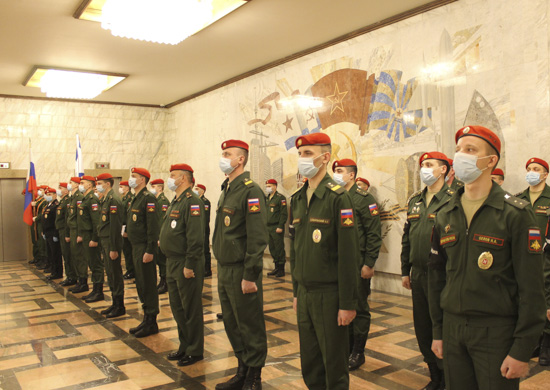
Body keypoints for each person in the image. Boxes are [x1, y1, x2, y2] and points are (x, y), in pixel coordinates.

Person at [428, 125, 546, 390]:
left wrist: (522, 349)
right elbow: (437, 277)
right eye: (458, 150)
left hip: (496, 332)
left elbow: (532, 288)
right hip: (453, 328)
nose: (460, 156)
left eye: (470, 150)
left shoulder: (515, 214)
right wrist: (438, 331)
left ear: (491, 160)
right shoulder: (446, 212)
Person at [290, 133, 359, 389]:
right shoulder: (298, 198)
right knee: (310, 363)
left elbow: (348, 255)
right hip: (306, 294)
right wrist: (296, 291)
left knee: (334, 364)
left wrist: (348, 303)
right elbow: (295, 250)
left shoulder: (338, 197)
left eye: (308, 154)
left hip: (330, 296)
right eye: (300, 154)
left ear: (325, 157)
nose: (302, 159)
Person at [212, 140, 268, 390]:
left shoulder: (250, 190)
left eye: (228, 154)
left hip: (241, 270)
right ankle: (242, 369)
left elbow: (257, 238)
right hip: (224, 268)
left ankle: (254, 377)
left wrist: (250, 275)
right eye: (223, 153)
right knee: (232, 323)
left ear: (240, 160)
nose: (223, 157)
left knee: (249, 323)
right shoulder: (228, 188)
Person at [401, 152, 453, 390]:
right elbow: (406, 238)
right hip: (419, 274)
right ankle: (435, 375)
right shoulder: (415, 200)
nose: (424, 168)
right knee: (422, 326)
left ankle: (448, 375)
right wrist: (404, 270)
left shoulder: (454, 198)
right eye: (422, 165)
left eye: (429, 165)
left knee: (441, 325)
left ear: (443, 170)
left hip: (443, 275)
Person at [332, 158, 382, 372]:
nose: (336, 174)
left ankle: (358, 351)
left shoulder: (364, 199)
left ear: (351, 175)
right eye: (335, 170)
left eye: (340, 170)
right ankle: (346, 347)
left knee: (359, 307)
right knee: (343, 304)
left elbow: (373, 233)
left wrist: (369, 263)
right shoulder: (335, 196)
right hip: (339, 264)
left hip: (358, 262)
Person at [159, 164, 205, 366]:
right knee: (177, 307)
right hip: (172, 261)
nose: (170, 179)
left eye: (173, 176)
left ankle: (195, 350)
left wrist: (190, 264)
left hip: (186, 263)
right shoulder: (175, 201)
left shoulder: (192, 201)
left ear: (184, 178)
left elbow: (195, 238)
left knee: (190, 308)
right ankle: (184, 345)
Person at [515, 157, 550, 366]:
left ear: (545, 174)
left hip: (547, 258)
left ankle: (547, 341)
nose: (531, 172)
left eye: (536, 169)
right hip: (525, 257)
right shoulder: (519, 199)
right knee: (526, 298)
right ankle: (533, 340)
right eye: (528, 169)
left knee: (546, 298)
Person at [126, 167, 160, 338]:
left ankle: (152, 321)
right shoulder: (135, 199)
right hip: (135, 246)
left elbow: (153, 228)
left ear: (142, 180)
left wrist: (150, 250)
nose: (131, 179)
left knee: (148, 283)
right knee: (140, 284)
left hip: (144, 247)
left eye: (134, 177)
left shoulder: (149, 199)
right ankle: (146, 317)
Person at [96, 173, 126, 318]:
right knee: (110, 273)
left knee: (115, 274)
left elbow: (115, 227)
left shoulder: (113, 200)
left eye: (100, 183)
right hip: (105, 241)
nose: (98, 186)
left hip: (111, 242)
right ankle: (114, 303)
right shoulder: (106, 199)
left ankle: (119, 305)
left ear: (108, 184)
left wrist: (114, 248)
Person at [77, 175, 104, 303]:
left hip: (91, 236)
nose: (80, 184)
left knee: (96, 263)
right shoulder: (85, 198)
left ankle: (99, 291)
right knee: (91, 263)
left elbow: (96, 222)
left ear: (89, 185)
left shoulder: (92, 199)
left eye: (82, 182)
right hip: (86, 235)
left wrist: (95, 238)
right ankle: (94, 289)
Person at [66, 177, 88, 293]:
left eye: (71, 183)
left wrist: (80, 234)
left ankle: (83, 282)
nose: (69, 185)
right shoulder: (73, 198)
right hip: (72, 230)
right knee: (75, 255)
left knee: (80, 256)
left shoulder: (79, 197)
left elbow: (80, 218)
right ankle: (79, 280)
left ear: (76, 185)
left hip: (77, 231)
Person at [265, 179, 288, 277]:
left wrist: (280, 226)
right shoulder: (267, 198)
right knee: (272, 248)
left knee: (279, 248)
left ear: (275, 186)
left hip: (276, 227)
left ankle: (281, 269)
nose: (268, 188)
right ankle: (276, 267)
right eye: (267, 186)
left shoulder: (280, 198)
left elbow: (283, 214)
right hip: (268, 227)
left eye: (269, 186)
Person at [151, 178, 170, 294]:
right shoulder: (156, 200)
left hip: (160, 236)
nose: (152, 189)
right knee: (159, 260)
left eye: (154, 187)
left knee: (162, 261)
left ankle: (165, 282)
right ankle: (162, 281)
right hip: (156, 235)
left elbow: (162, 221)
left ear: (160, 188)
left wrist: (159, 238)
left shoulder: (163, 201)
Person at [55, 183, 76, 286]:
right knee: (65, 254)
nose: (58, 190)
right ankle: (69, 276)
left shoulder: (67, 201)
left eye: (60, 188)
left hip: (65, 230)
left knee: (68, 255)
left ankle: (72, 276)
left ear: (66, 191)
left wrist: (67, 233)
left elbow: (67, 218)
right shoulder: (63, 201)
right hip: (62, 230)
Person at [42, 188, 63, 280]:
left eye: (50, 194)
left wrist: (55, 234)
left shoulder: (55, 206)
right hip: (47, 232)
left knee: (56, 254)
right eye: (47, 194)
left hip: (53, 233)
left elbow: (56, 221)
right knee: (50, 253)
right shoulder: (48, 206)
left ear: (55, 195)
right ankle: (53, 271)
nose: (48, 196)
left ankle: (57, 273)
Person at [195, 184, 213, 277]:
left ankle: (207, 269)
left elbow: (205, 218)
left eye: (197, 189)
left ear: (202, 191)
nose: (195, 190)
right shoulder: (196, 201)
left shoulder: (205, 202)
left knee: (205, 248)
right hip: (198, 229)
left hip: (204, 229)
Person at [120, 181, 135, 280]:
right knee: (126, 250)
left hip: (127, 228)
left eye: (121, 186)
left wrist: (126, 230)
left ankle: (131, 271)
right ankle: (129, 269)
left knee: (129, 251)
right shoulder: (124, 198)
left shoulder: (130, 199)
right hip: (123, 227)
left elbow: (129, 216)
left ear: (127, 188)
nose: (120, 188)